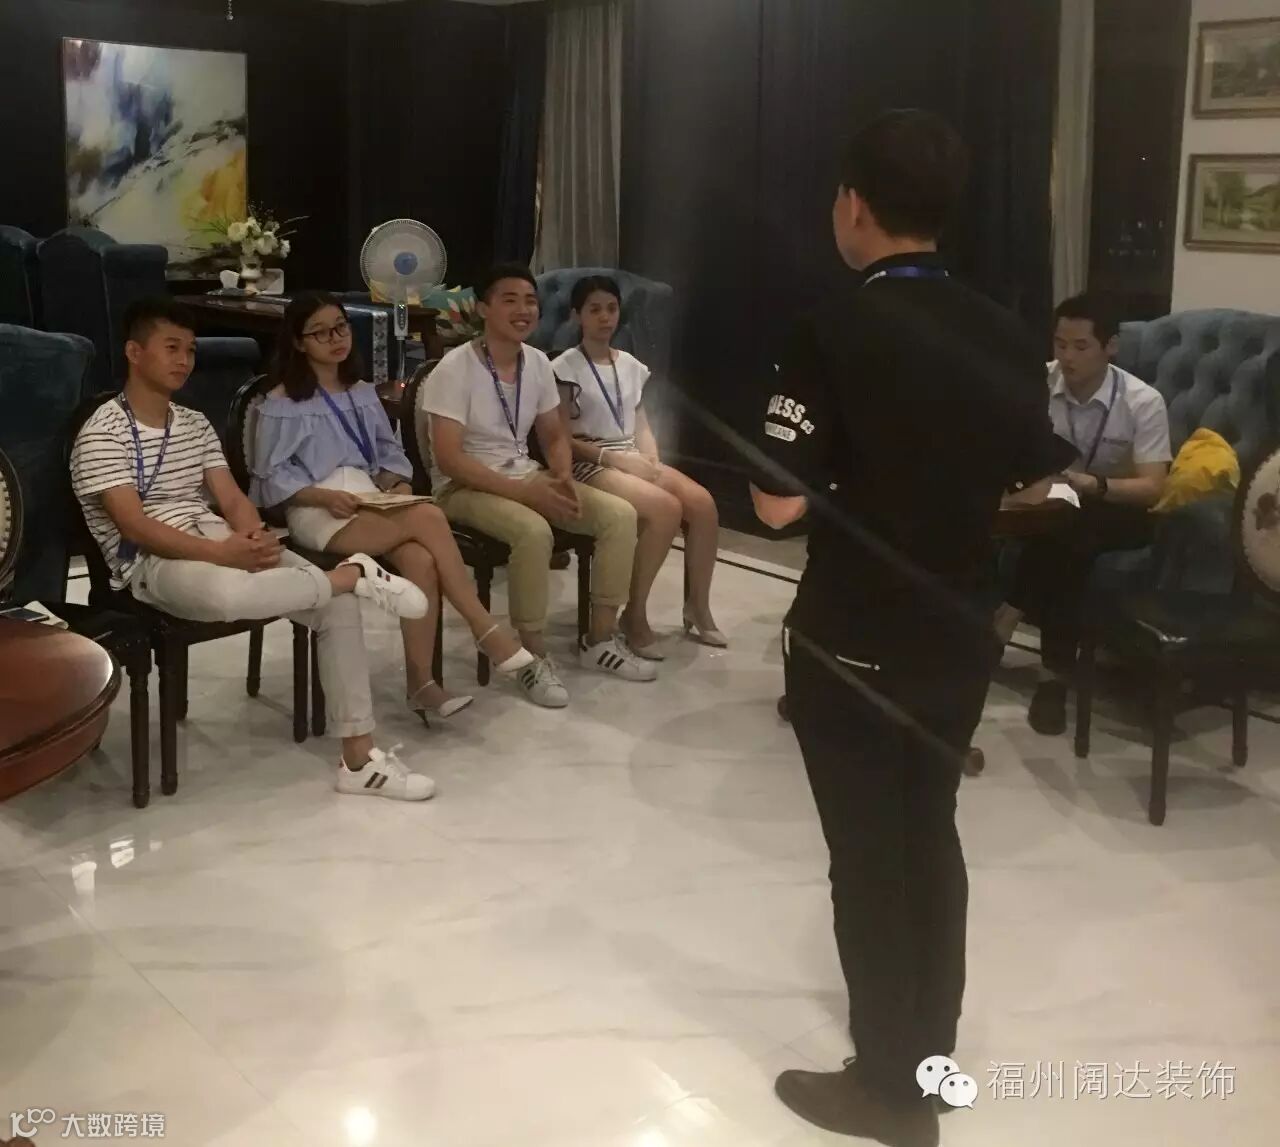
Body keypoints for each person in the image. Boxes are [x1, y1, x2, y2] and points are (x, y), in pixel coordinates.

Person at [750, 110, 1065, 1147]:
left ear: (854, 204)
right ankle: (928, 1064)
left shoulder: (831, 328)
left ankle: (888, 1090)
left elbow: (775, 505)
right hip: (961, 630)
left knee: (867, 858)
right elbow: (1033, 474)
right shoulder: (1007, 330)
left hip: (852, 633)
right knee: (929, 834)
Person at [71, 297, 436, 800]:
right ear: (135, 352)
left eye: (190, 349)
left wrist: (252, 535)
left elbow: (232, 498)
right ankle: (351, 574)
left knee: (338, 607)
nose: (184, 360)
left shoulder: (194, 422)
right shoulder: (102, 431)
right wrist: (223, 555)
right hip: (151, 560)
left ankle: (358, 759)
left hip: (219, 537)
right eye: (171, 348)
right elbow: (133, 525)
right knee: (230, 596)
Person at [250, 291, 545, 722]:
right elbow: (268, 480)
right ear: (298, 342)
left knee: (421, 559)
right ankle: (484, 628)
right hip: (318, 510)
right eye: (321, 333)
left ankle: (422, 685)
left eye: (341, 327)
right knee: (428, 515)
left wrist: (398, 483)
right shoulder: (283, 404)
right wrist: (321, 496)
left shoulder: (361, 393)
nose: (336, 338)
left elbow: (389, 454)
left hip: (370, 500)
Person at [420, 263, 657, 700]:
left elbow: (554, 435)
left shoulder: (537, 364)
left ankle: (600, 639)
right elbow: (450, 460)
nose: (524, 309)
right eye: (509, 300)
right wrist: (523, 492)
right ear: (483, 308)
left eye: (530, 300)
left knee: (619, 515)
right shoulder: (454, 369)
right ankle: (531, 656)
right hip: (463, 488)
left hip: (526, 472)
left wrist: (562, 474)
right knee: (533, 531)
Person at [995, 294, 1172, 735]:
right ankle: (1052, 676)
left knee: (1070, 529)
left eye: (1080, 346)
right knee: (1064, 532)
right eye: (1059, 344)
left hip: (1121, 509)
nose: (1067, 357)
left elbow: (1154, 486)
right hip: (1053, 505)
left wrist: (1096, 485)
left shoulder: (1142, 401)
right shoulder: (1038, 384)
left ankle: (1007, 615)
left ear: (1110, 347)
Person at [553, 275, 725, 657]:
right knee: (665, 508)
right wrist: (615, 459)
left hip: (629, 453)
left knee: (702, 504)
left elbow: (640, 421)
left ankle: (697, 606)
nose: (605, 317)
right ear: (577, 315)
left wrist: (652, 460)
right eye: (594, 310)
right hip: (591, 460)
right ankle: (634, 613)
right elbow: (560, 439)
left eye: (611, 309)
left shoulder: (630, 364)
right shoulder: (564, 367)